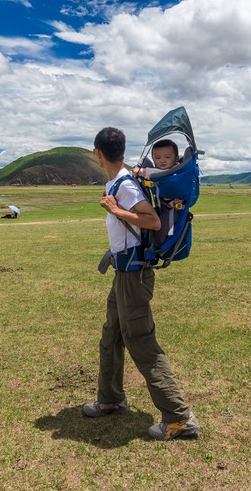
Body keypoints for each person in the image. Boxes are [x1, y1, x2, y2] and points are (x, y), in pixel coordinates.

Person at [83, 126, 199, 441]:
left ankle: (179, 418)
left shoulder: (125, 186)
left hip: (134, 276)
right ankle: (110, 399)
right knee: (111, 336)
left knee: (141, 341)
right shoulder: (119, 181)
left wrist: (117, 210)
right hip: (123, 274)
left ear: (98, 154)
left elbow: (153, 221)